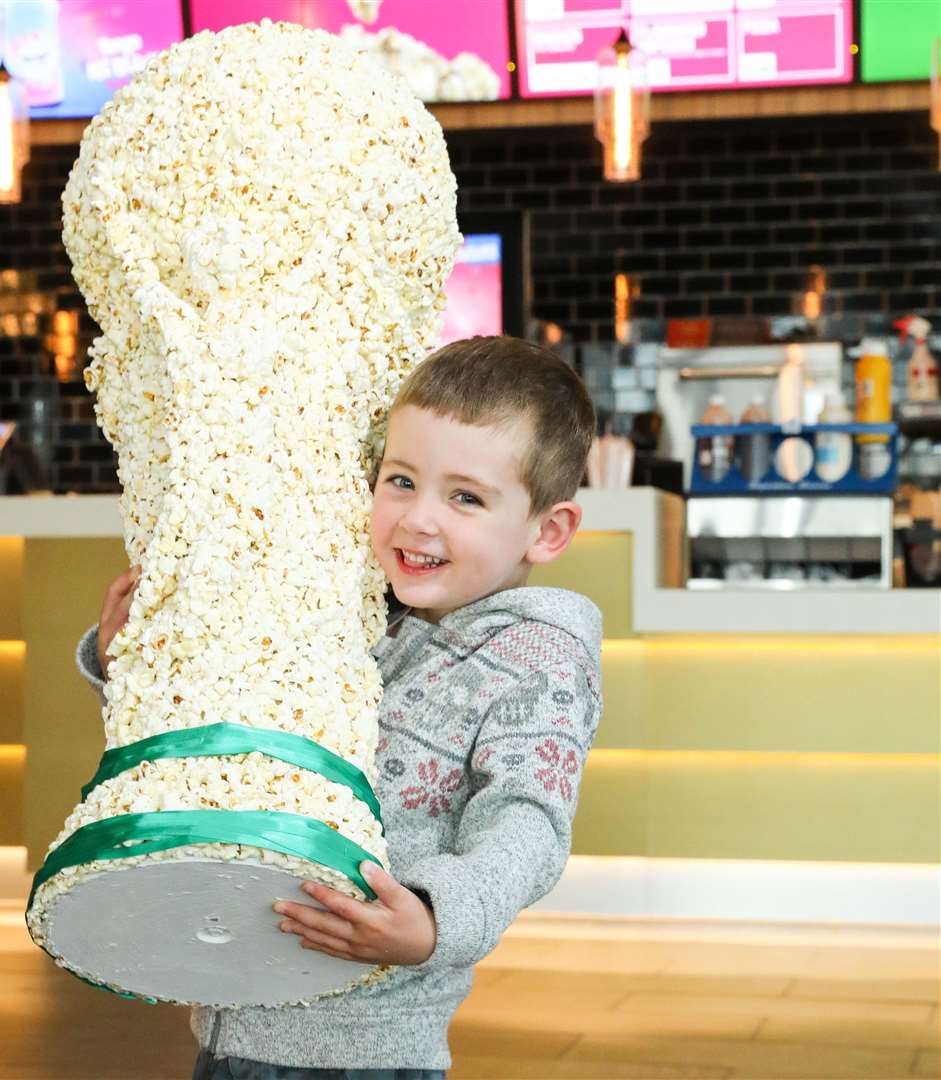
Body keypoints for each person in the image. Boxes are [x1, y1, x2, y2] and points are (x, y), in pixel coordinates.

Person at [75, 335, 603, 1080]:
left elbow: (528, 824)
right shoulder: (355, 614)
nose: (419, 519)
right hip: (233, 1017)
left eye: (465, 498)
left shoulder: (537, 658)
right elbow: (239, 727)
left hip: (363, 1054)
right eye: (399, 481)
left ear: (547, 531)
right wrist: (132, 662)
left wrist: (430, 920)